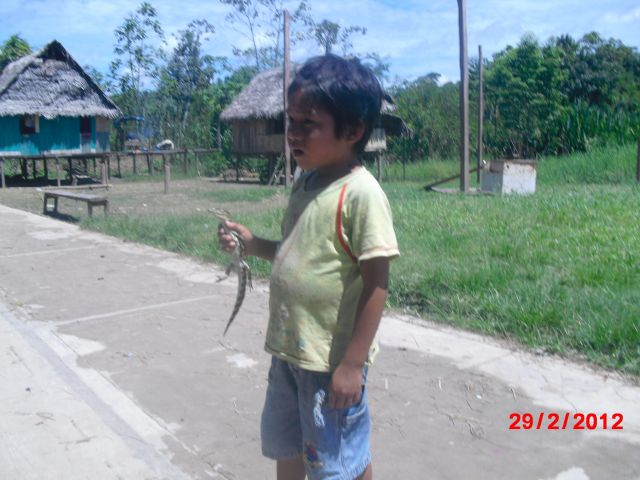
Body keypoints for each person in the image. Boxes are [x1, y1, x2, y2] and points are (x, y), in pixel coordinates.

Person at [218, 54, 399, 480]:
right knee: (290, 445)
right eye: (291, 121)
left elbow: (377, 285)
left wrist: (352, 364)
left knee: (339, 459)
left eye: (308, 124)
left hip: (330, 362)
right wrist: (253, 244)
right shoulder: (306, 182)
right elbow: (295, 250)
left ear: (352, 131)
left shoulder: (361, 194)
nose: (293, 133)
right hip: (290, 351)